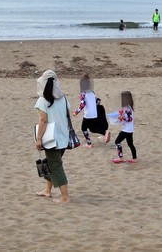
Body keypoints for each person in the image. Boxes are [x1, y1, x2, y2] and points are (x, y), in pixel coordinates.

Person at [34, 70, 71, 203]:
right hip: (64, 137)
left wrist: (38, 139)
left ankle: (65, 197)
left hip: (51, 139)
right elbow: (67, 115)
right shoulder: (64, 98)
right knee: (52, 163)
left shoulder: (42, 100)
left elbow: (43, 120)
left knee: (55, 166)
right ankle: (47, 190)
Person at [73, 74, 110, 148]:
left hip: (88, 114)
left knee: (83, 128)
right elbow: (97, 101)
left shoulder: (83, 93)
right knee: (92, 129)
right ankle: (105, 132)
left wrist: (76, 112)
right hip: (94, 113)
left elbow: (83, 104)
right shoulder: (92, 92)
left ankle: (89, 144)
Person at [112, 91, 137, 164]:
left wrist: (122, 118)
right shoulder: (129, 107)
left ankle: (120, 157)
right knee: (130, 144)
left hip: (126, 130)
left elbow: (129, 119)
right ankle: (134, 159)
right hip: (129, 129)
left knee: (117, 142)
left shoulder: (128, 108)